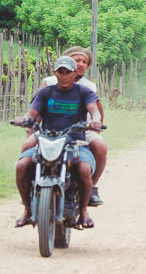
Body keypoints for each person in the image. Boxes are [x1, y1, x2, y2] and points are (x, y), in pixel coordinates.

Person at [12, 56, 103, 229]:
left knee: (84, 169)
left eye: (67, 72)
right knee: (21, 166)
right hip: (46, 139)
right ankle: (27, 210)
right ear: (55, 73)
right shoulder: (46, 92)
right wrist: (24, 119)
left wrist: (95, 120)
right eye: (60, 72)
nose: (63, 76)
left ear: (74, 73)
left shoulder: (83, 92)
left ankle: (83, 212)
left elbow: (94, 110)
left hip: (75, 142)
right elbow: (32, 113)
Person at [26, 45, 108, 206]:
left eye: (84, 61)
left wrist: (95, 124)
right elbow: (35, 109)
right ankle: (31, 185)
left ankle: (91, 187)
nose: (81, 64)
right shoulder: (48, 83)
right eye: (77, 60)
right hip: (49, 129)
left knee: (100, 146)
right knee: (26, 149)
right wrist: (30, 129)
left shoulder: (88, 87)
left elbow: (97, 111)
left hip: (80, 128)